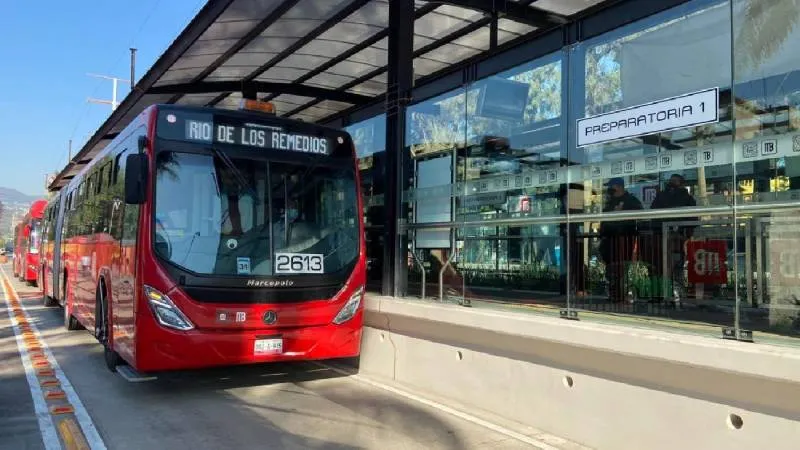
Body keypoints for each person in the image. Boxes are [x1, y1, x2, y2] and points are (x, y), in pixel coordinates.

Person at [644, 173, 697, 299]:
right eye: (671, 180)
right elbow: (654, 215)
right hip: (663, 238)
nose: (672, 183)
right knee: (663, 267)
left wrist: (685, 236)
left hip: (676, 238)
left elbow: (693, 219)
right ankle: (667, 295)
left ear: (681, 183)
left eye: (675, 181)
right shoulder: (663, 196)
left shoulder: (686, 198)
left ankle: (674, 295)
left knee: (675, 267)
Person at [598, 177, 643, 303]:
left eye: (611, 186)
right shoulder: (609, 202)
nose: (609, 189)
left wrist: (623, 212)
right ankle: (613, 295)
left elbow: (640, 214)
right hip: (609, 240)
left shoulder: (631, 200)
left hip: (624, 239)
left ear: (618, 186)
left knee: (621, 267)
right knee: (611, 268)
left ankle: (622, 295)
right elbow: (604, 219)